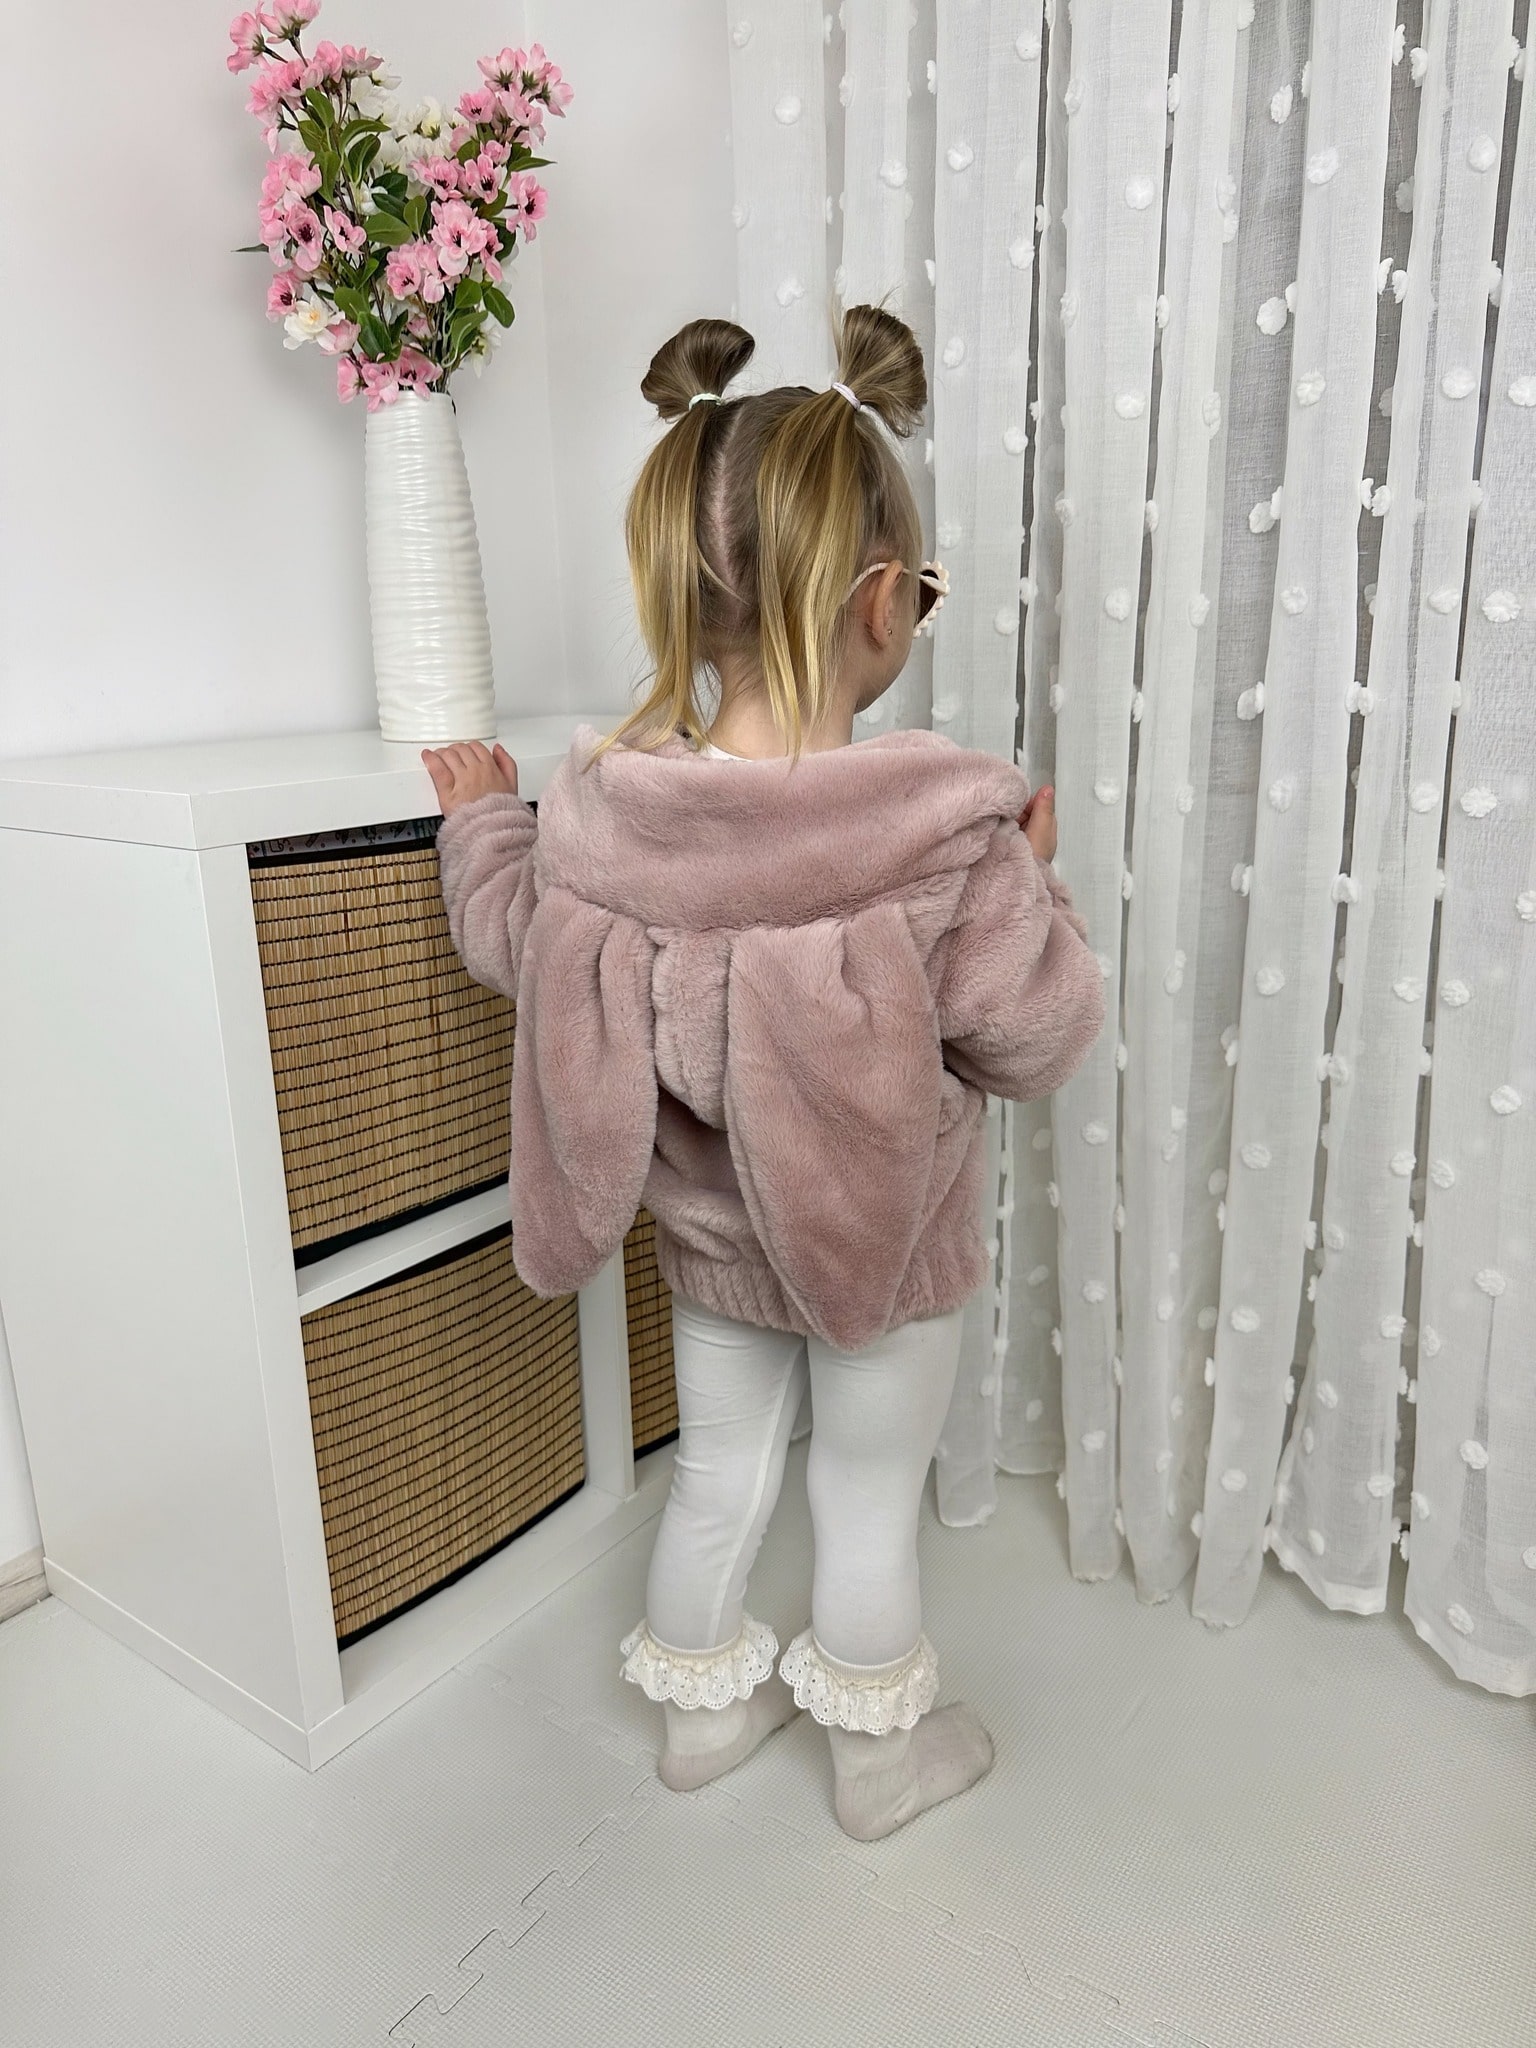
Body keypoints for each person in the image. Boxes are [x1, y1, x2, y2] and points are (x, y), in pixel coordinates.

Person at [423, 304, 1102, 1843]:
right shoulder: (944, 835)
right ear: (881, 602)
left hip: (712, 1256)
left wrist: (480, 821)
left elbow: (510, 943)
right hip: (888, 1262)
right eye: (925, 589)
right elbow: (1037, 1038)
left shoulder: (600, 819)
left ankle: (701, 1727)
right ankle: (881, 1772)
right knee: (862, 1504)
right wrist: (1038, 887)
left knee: (719, 1477)